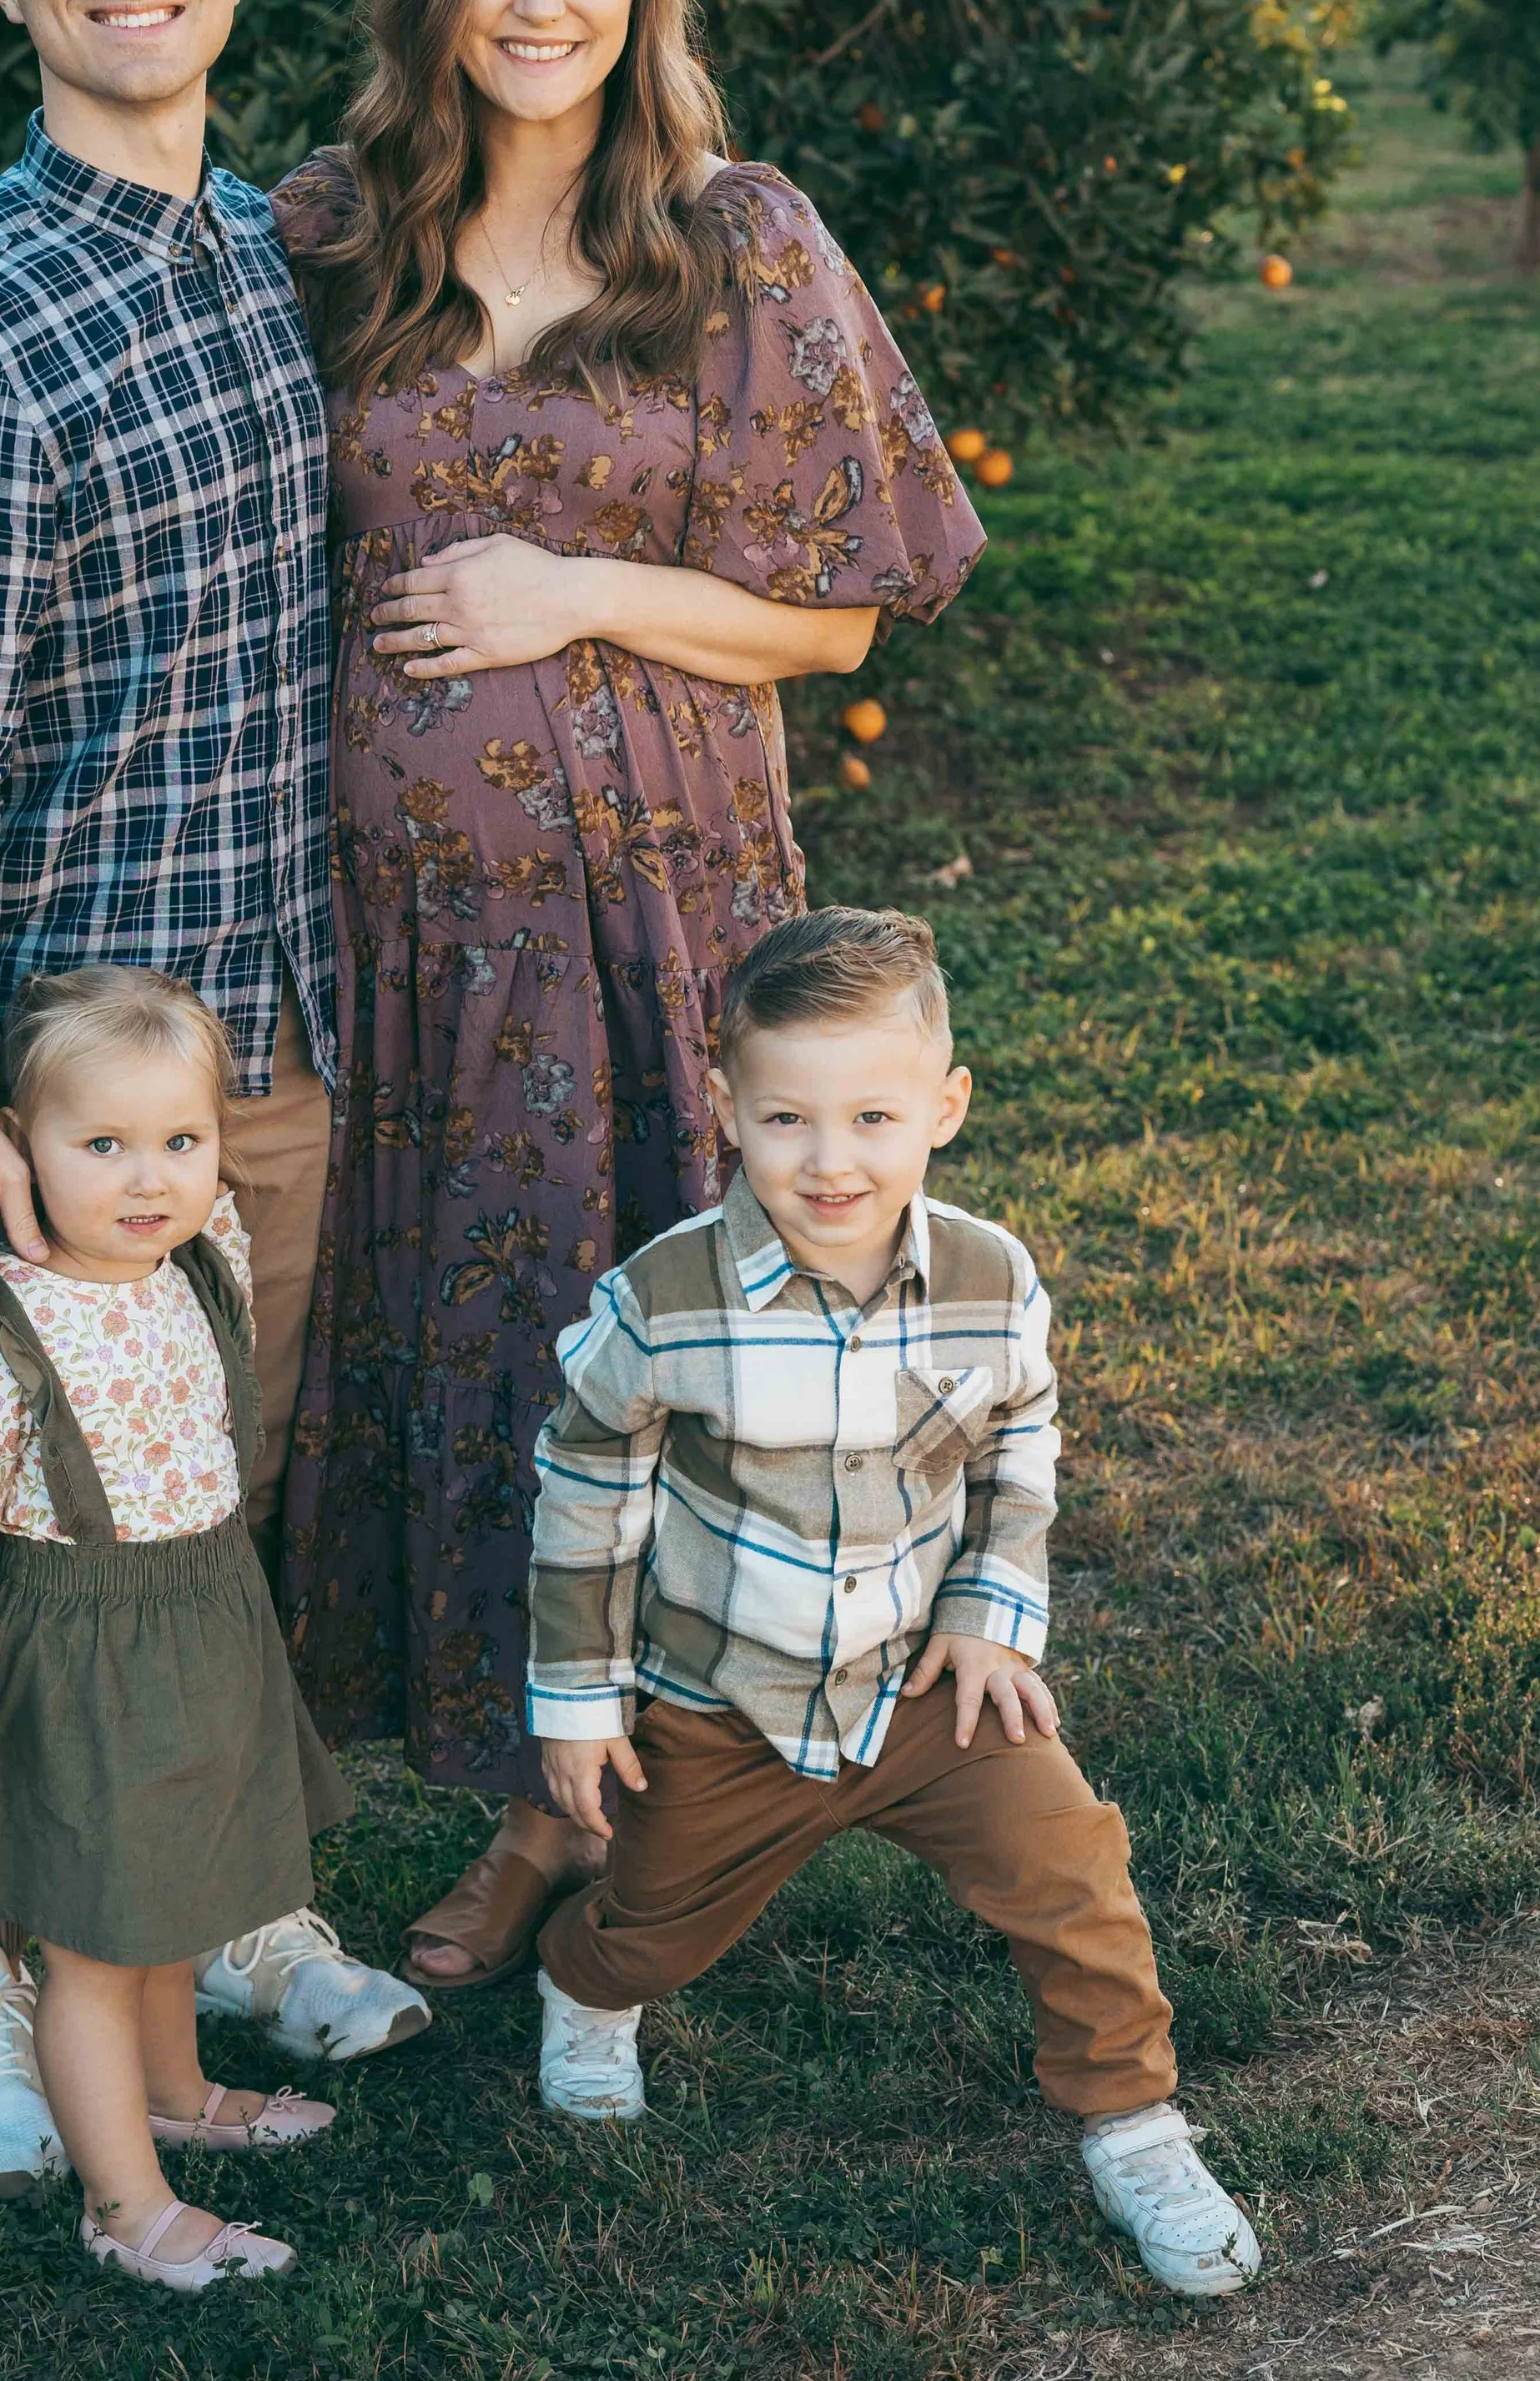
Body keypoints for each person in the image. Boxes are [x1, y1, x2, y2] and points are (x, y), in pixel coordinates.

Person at [270, 0, 985, 1992]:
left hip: (656, 903)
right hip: (399, 929)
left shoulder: (731, 237)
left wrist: (566, 587)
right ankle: (490, 1770)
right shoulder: (329, 233)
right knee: (458, 1339)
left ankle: (589, 1816)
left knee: (634, 1335)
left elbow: (841, 612)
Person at [0, 0, 425, 2204]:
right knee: (28, 1564)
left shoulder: (275, 257)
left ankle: (218, 1904)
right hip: (67, 1099)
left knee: (203, 1518)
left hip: (265, 1042)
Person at [526, 908, 1264, 2303]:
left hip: (928, 1685)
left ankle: (1133, 2121)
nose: (831, 1159)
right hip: (725, 1705)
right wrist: (577, 1695)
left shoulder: (991, 1277)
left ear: (946, 1106)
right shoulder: (663, 1301)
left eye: (873, 1115)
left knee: (1073, 1869)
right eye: (787, 1117)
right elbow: (584, 1491)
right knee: (658, 1921)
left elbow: (1020, 1437)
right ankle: (585, 1980)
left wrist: (989, 1606)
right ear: (726, 1106)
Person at [0, 965, 352, 2293]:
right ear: (17, 1148)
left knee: (174, 1898)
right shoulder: (0, 1332)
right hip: (82, 1657)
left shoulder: (198, 1263)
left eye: (181, 1140)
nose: (150, 1178)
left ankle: (174, 2091)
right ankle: (127, 2205)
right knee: (96, 1941)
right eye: (102, 1145)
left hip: (199, 1622)